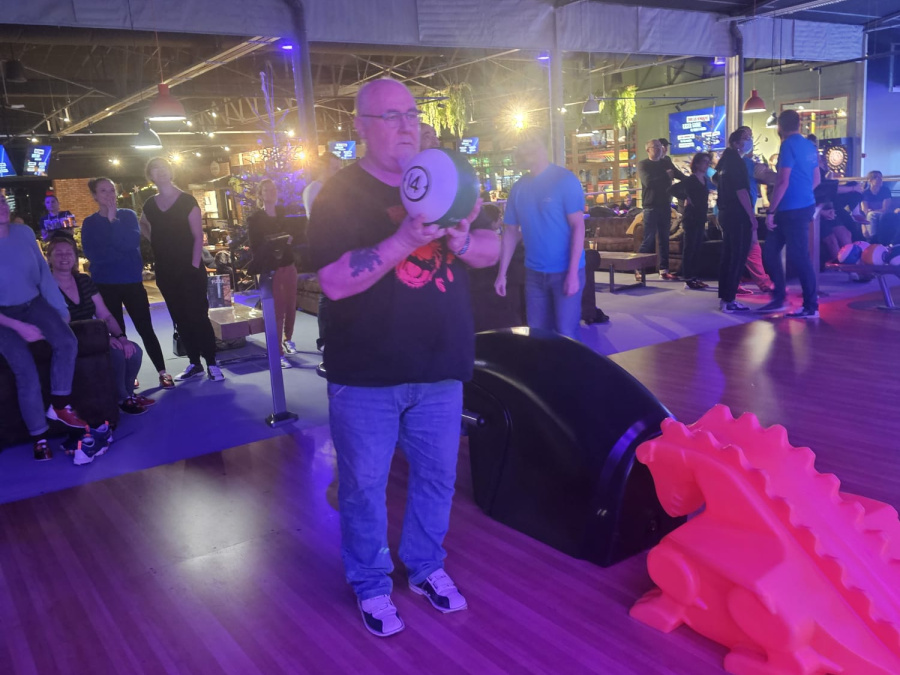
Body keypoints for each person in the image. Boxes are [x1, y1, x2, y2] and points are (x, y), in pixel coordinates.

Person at [308, 77, 499, 637]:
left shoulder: (446, 175)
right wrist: (404, 241)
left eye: (412, 113)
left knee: (437, 479)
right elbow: (334, 282)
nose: (406, 125)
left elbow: (493, 249)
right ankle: (371, 583)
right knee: (364, 488)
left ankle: (425, 567)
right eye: (390, 116)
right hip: (366, 372)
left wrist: (463, 240)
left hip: (441, 366)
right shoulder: (339, 194)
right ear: (362, 128)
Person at [0, 199, 87, 460]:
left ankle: (59, 405)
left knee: (67, 341)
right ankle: (39, 437)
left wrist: (60, 309)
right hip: (3, 318)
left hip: (33, 303)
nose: (1, 206)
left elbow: (43, 274)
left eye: (2, 201)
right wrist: (20, 327)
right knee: (25, 371)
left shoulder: (24, 233)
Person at [80, 177, 174, 389]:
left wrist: (113, 221)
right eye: (103, 191)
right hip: (105, 284)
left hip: (131, 282)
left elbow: (131, 243)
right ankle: (129, 374)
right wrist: (119, 249)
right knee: (117, 331)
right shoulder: (90, 223)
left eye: (112, 190)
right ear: (94, 196)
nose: (109, 195)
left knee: (145, 328)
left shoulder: (128, 216)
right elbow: (94, 256)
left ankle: (162, 371)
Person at [495, 127, 587, 339]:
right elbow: (510, 232)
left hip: (565, 270)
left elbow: (578, 226)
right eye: (521, 146)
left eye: (528, 145)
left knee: (566, 334)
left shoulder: (564, 180)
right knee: (537, 335)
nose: (523, 150)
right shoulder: (518, 188)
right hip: (534, 274)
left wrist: (573, 273)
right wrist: (501, 273)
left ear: (542, 148)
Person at [46, 235, 151, 415]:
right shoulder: (46, 285)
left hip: (94, 334)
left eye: (69, 252)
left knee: (133, 351)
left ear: (75, 257)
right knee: (116, 354)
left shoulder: (84, 281)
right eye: (58, 253)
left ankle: (127, 394)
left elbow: (104, 314)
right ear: (49, 258)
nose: (64, 257)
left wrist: (121, 337)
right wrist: (102, 339)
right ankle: (121, 398)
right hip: (69, 338)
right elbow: (60, 324)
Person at [140, 157, 224, 381]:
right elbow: (143, 224)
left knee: (198, 316)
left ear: (171, 171)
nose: (161, 172)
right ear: (151, 176)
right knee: (179, 317)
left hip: (190, 268)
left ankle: (212, 363)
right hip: (166, 270)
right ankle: (194, 362)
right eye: (156, 170)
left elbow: (198, 236)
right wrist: (155, 241)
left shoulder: (187, 200)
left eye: (164, 168)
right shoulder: (150, 204)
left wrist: (194, 265)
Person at [759, 110, 821, 318]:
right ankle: (780, 298)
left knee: (796, 256)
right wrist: (803, 194)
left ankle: (810, 306)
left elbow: (782, 180)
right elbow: (817, 179)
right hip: (803, 206)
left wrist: (771, 211)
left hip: (789, 209)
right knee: (772, 251)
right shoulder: (809, 146)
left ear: (780, 126)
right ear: (799, 124)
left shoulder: (787, 145)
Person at [247, 179, 299, 369]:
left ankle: (288, 339)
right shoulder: (255, 218)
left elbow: (296, 234)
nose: (271, 192)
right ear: (260, 194)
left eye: (273, 189)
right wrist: (275, 242)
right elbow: (255, 246)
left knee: (291, 305)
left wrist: (290, 238)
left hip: (289, 264)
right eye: (267, 190)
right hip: (271, 268)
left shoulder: (284, 213)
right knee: (277, 310)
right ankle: (277, 353)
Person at [713, 128, 758, 312]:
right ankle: (729, 299)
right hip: (738, 214)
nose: (749, 141)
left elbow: (715, 179)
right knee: (737, 257)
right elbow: (741, 191)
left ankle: (725, 298)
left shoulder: (725, 159)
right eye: (746, 138)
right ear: (737, 142)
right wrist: (751, 216)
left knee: (728, 256)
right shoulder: (737, 162)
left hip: (725, 212)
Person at [302, 152, 342, 357]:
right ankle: (324, 339)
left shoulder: (335, 188)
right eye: (335, 167)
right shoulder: (314, 189)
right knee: (327, 293)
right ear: (324, 167)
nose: (338, 171)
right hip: (326, 248)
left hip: (340, 245)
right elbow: (318, 222)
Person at [638, 139, 677, 280]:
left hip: (665, 204)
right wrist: (666, 176)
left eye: (660, 146)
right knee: (649, 238)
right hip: (651, 206)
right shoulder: (643, 164)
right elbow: (648, 182)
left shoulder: (666, 162)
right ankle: (638, 268)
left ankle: (664, 270)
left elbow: (678, 174)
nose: (659, 149)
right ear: (648, 150)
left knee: (664, 239)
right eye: (655, 147)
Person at [681, 153, 711, 290]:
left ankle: (695, 277)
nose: (707, 164)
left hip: (700, 216)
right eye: (704, 161)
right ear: (697, 163)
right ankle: (688, 277)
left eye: (708, 162)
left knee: (697, 248)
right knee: (690, 248)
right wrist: (687, 199)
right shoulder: (691, 180)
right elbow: (673, 190)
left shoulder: (705, 179)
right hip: (691, 217)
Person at [860, 171, 893, 242]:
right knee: (869, 215)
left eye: (880, 177)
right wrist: (863, 226)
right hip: (869, 216)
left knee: (871, 214)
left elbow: (885, 209)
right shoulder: (865, 193)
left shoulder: (885, 190)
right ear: (870, 180)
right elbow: (864, 210)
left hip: (884, 214)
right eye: (877, 178)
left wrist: (872, 211)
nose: (880, 179)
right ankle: (872, 240)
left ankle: (872, 240)